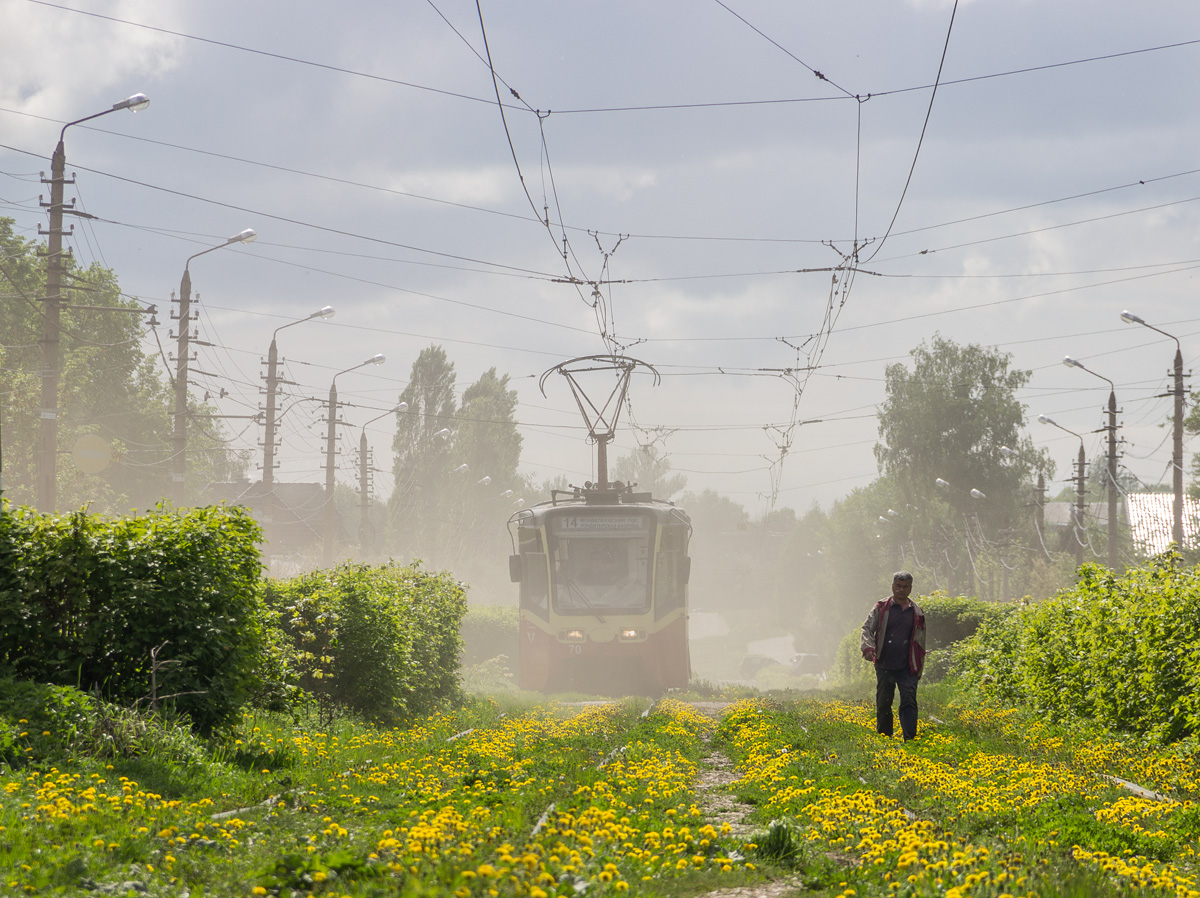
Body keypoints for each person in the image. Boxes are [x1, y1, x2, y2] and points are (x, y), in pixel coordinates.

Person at [861, 571, 926, 741]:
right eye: (898, 586)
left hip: (908, 666)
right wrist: (868, 647)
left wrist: (920, 666)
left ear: (910, 589)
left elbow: (920, 642)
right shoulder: (881, 608)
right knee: (884, 702)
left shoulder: (917, 612)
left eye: (905, 587)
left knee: (909, 701)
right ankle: (884, 737)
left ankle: (910, 739)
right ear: (892, 586)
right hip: (885, 664)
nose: (901, 590)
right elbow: (867, 629)